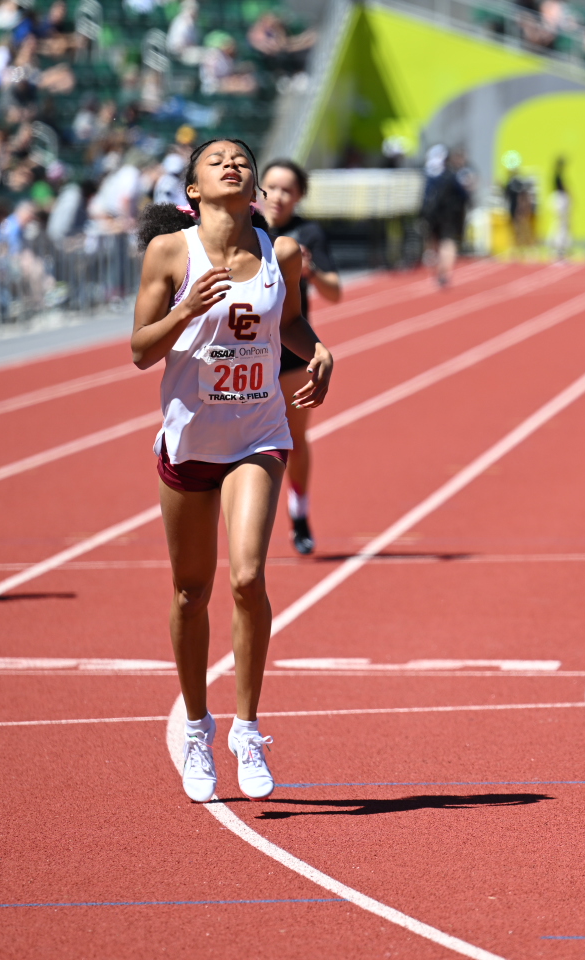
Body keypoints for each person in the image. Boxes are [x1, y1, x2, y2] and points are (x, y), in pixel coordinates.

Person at [131, 139, 333, 803]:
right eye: (215, 159)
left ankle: (247, 729)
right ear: (193, 190)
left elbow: (292, 326)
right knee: (191, 592)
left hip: (258, 434)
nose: (231, 163)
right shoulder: (170, 253)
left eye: (240, 160)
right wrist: (185, 310)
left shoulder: (280, 255)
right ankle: (197, 729)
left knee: (247, 576)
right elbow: (139, 351)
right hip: (190, 440)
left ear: (254, 190)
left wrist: (320, 352)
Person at [259, 159, 341, 554]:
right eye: (271, 187)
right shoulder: (246, 230)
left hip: (291, 350)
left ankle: (300, 512)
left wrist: (309, 271)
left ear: (299, 196)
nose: (277, 196)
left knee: (293, 437)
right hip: (250, 348)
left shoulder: (307, 233)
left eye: (286, 190)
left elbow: (335, 292)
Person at [421, 144, 469, 284]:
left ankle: (438, 268)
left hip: (433, 213)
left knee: (435, 241)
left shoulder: (427, 175)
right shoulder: (451, 176)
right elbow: (464, 195)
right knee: (447, 242)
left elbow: (423, 197)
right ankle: (444, 272)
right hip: (449, 215)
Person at [548, 157, 571, 260]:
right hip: (560, 199)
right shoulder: (558, 176)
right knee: (561, 224)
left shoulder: (557, 175)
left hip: (557, 199)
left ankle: (556, 245)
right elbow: (564, 188)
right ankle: (558, 247)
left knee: (559, 223)